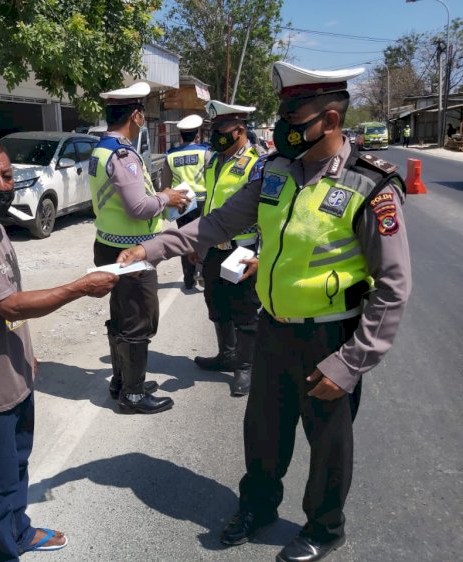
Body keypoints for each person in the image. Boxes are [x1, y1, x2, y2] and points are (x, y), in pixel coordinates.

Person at [117, 61, 411, 562]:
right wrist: (151, 249)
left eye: (294, 115)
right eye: (282, 112)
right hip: (275, 329)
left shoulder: (369, 186)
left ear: (332, 121)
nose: (282, 124)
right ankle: (258, 508)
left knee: (328, 444)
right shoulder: (274, 173)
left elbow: (394, 287)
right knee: (264, 433)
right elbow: (215, 225)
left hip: (331, 338)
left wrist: (352, 363)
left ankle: (324, 526)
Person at [0, 138, 118, 561]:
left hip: (15, 370)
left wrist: (26, 351)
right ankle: (3, 552)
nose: (1, 185)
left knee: (18, 463)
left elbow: (10, 294)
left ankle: (20, 531)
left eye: (7, 175)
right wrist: (79, 287)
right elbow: (8, 304)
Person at [88, 81, 189, 414]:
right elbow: (139, 208)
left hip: (108, 245)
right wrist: (168, 198)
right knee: (138, 323)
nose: (144, 118)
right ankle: (132, 395)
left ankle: (122, 381)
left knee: (121, 316)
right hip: (131, 253)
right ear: (135, 115)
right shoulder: (122, 154)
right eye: (142, 112)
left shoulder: (100, 148)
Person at [192, 100, 267, 397]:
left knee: (245, 310)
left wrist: (261, 254)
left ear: (239, 130)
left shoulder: (257, 164)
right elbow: (209, 203)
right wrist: (198, 243)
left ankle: (245, 367)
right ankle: (226, 355)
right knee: (216, 303)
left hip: (242, 250)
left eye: (220, 129)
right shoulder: (214, 161)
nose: (214, 135)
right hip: (214, 248)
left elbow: (267, 215)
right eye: (212, 129)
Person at [161, 114, 209, 288]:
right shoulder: (206, 152)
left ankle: (188, 279)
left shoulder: (170, 156)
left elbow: (165, 185)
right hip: (203, 202)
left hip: (182, 203)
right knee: (203, 238)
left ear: (181, 135)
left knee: (184, 239)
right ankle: (202, 273)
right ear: (197, 135)